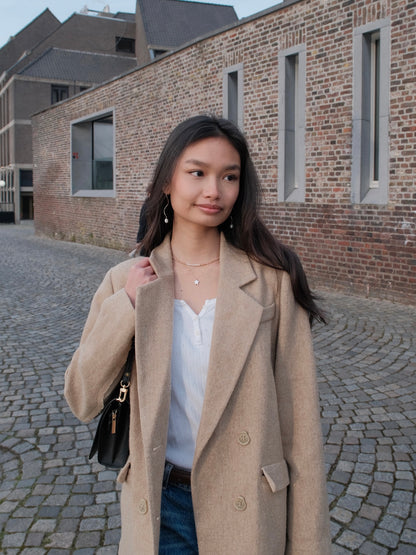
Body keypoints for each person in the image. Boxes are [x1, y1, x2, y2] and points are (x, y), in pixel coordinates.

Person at [64, 115, 331, 554]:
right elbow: (82, 397)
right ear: (167, 180)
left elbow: (299, 426)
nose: (214, 190)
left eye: (229, 177)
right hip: (161, 505)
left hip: (250, 503)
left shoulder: (271, 283)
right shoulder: (125, 281)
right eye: (198, 173)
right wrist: (127, 305)